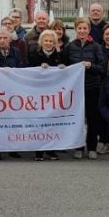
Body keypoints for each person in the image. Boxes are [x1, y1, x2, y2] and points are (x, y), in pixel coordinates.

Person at [65, 17, 105, 160]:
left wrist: (90, 66)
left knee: (92, 119)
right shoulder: (70, 46)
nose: (82, 31)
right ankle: (79, 147)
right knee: (78, 119)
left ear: (89, 30)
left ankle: (92, 147)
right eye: (79, 28)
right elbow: (64, 65)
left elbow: (102, 68)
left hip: (92, 87)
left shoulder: (96, 46)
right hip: (75, 89)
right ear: (76, 30)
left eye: (85, 28)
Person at [0, 28, 25, 161]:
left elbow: (21, 69)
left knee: (12, 121)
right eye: (0, 38)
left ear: (10, 39)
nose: (2, 41)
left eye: (5, 38)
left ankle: (12, 148)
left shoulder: (17, 52)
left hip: (13, 92)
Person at [27, 29, 62, 161]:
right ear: (41, 42)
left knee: (52, 121)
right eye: (46, 41)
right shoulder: (34, 54)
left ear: (54, 43)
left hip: (53, 93)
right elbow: (29, 69)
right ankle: (39, 150)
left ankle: (51, 150)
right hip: (38, 93)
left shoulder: (59, 55)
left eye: (51, 41)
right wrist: (38, 67)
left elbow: (64, 68)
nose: (48, 43)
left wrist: (62, 67)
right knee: (39, 121)